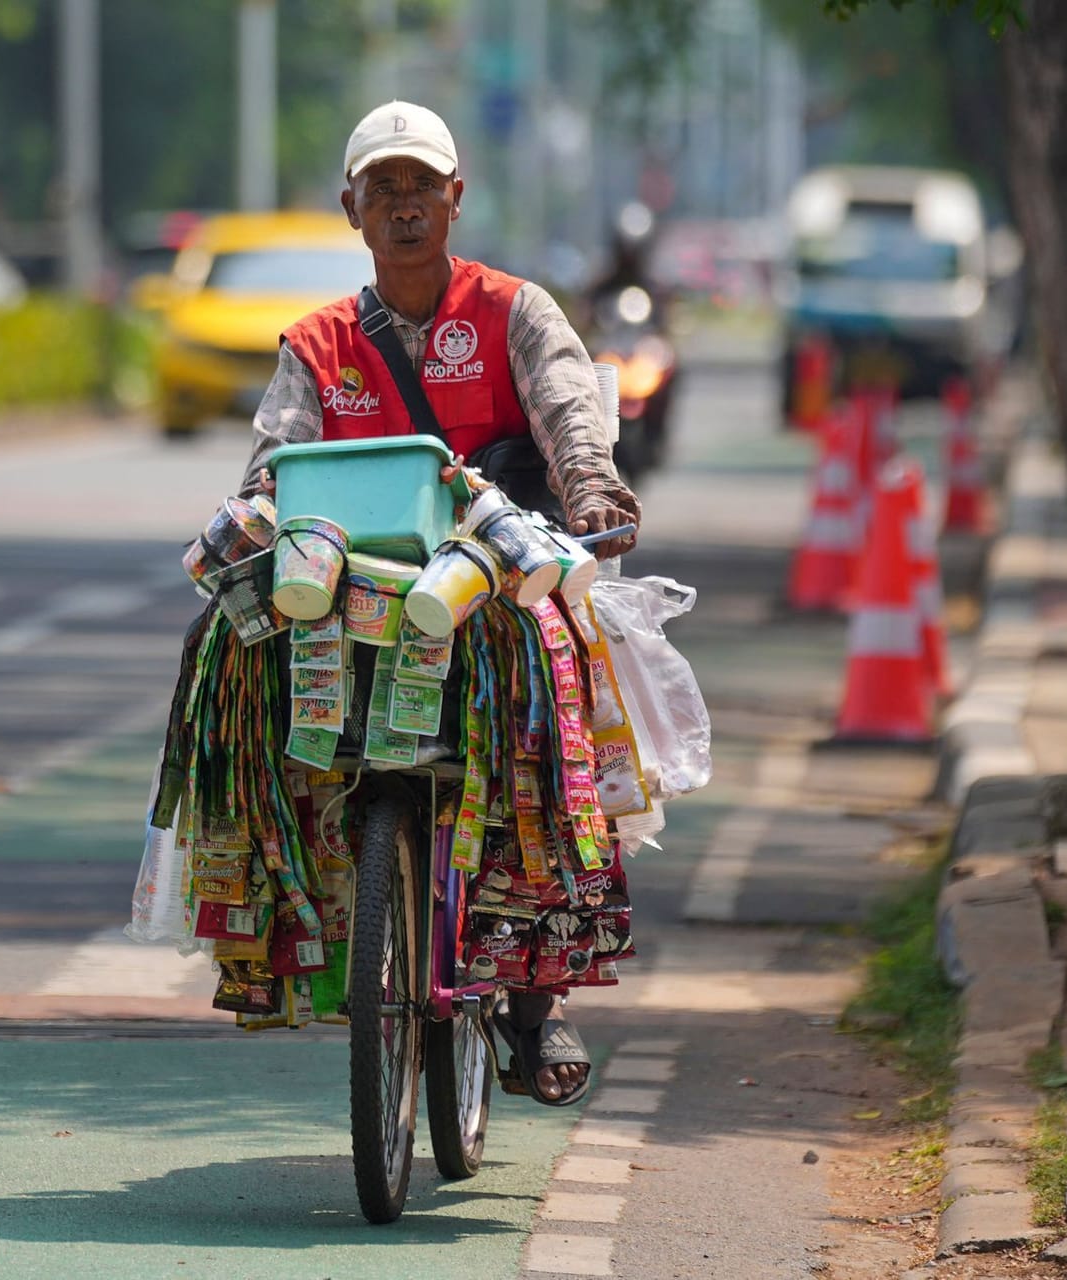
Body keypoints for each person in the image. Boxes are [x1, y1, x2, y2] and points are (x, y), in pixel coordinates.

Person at [239, 101, 641, 1105]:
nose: (406, 206)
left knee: (545, 744)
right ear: (352, 210)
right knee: (252, 694)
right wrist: (247, 522)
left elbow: (568, 412)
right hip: (354, 604)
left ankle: (537, 1001)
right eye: (385, 189)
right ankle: (311, 925)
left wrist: (591, 492)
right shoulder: (317, 341)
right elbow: (270, 465)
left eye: (423, 186)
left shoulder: (515, 310)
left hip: (493, 596)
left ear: (456, 200)